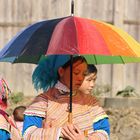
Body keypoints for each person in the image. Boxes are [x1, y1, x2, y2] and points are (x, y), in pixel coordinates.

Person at [22, 55, 110, 140]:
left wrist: (85, 139)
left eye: (83, 74)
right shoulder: (43, 102)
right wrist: (58, 133)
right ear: (61, 71)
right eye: (76, 73)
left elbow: (104, 132)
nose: (80, 78)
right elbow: (28, 134)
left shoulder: (90, 102)